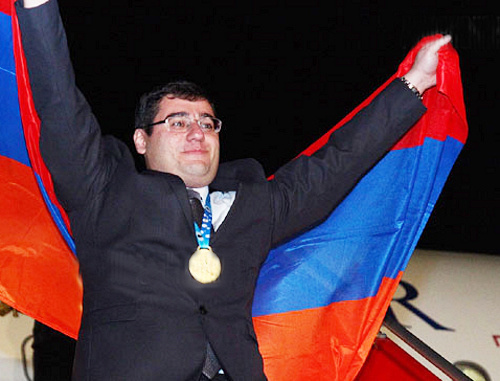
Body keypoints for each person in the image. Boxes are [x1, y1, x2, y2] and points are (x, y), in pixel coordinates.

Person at [16, 0, 451, 379]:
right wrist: (37, 7)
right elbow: (58, 104)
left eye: (207, 123)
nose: (196, 132)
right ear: (141, 140)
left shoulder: (255, 206)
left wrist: (413, 83)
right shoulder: (105, 192)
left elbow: (335, 166)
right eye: (178, 121)